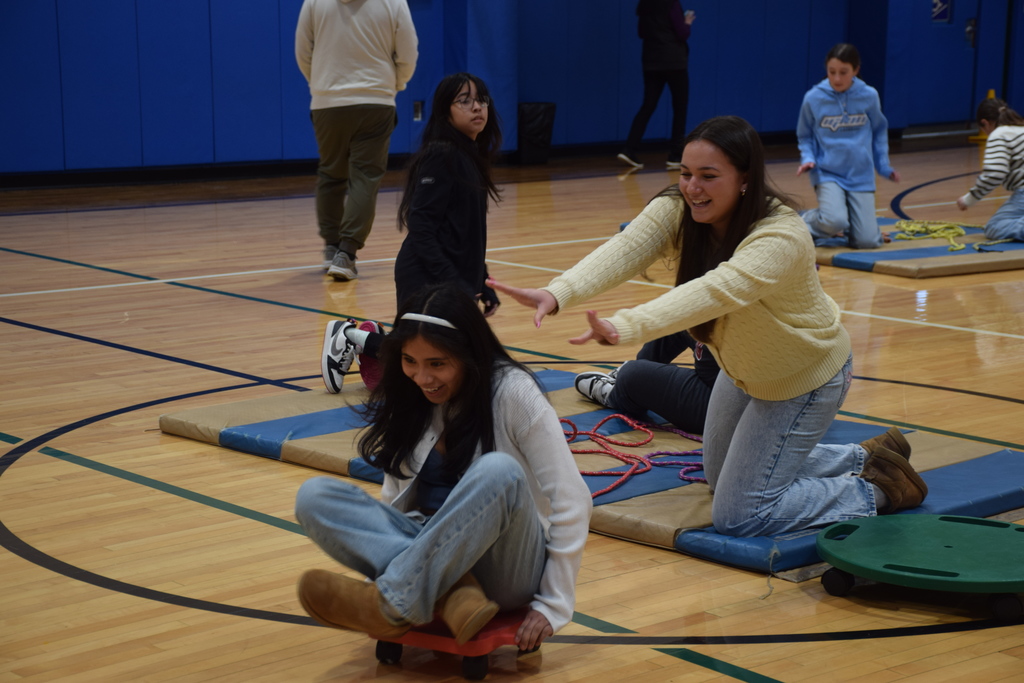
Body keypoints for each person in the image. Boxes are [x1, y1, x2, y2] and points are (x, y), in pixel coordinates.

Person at [490, 115, 928, 538]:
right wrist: (558, 292)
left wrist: (625, 326)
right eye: (685, 173)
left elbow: (715, 291)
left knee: (740, 514)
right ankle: (863, 456)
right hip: (742, 370)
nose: (692, 188)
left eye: (708, 176)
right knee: (720, 478)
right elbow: (627, 248)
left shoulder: (781, 235)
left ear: (744, 180)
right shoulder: (681, 208)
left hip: (804, 377)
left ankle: (881, 489)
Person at [295, 283, 592, 652]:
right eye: (410, 361)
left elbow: (573, 499)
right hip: (425, 541)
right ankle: (453, 590)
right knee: (314, 496)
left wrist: (554, 603)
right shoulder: (410, 393)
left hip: (505, 567)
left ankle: (394, 603)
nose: (422, 377)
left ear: (469, 355)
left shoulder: (514, 392)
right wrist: (397, 554)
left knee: (498, 470)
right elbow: (395, 493)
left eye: (437, 364)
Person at [321, 73, 503, 393]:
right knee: (431, 358)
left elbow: (470, 232)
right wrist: (453, 281)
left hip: (449, 276)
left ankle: (365, 337)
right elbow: (421, 227)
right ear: (445, 111)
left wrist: (481, 279)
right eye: (465, 100)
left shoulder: (471, 156)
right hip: (424, 274)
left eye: (482, 99)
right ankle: (350, 337)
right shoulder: (441, 155)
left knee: (455, 360)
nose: (477, 108)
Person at [295, 0, 419, 281]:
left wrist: (321, 85)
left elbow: (303, 50)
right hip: (376, 100)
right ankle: (346, 254)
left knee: (330, 173)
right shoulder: (393, 2)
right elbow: (408, 51)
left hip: (327, 102)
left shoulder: (314, 1)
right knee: (364, 176)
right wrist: (394, 85)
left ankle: (331, 247)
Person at [796, 43, 899, 250]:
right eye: (831, 72)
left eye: (843, 73)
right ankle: (807, 221)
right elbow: (804, 135)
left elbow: (879, 131)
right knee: (834, 220)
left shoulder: (869, 95)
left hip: (860, 174)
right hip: (827, 173)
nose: (836, 79)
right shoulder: (813, 97)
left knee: (867, 241)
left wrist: (884, 166)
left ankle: (856, 226)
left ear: (856, 70)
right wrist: (808, 158)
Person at [575, 322, 719, 437]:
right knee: (678, 321)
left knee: (632, 374)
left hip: (720, 400)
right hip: (712, 372)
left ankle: (617, 395)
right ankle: (636, 389)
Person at [618, 1, 695, 170]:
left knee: (648, 105)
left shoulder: (644, 5)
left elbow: (641, 32)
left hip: (651, 61)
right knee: (680, 108)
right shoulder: (671, 4)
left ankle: (629, 148)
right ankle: (675, 155)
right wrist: (687, 22)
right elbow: (682, 33)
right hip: (674, 62)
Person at [956, 97, 1024, 242]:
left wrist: (969, 199)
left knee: (995, 227)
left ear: (985, 123)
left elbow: (995, 174)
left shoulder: (999, 134)